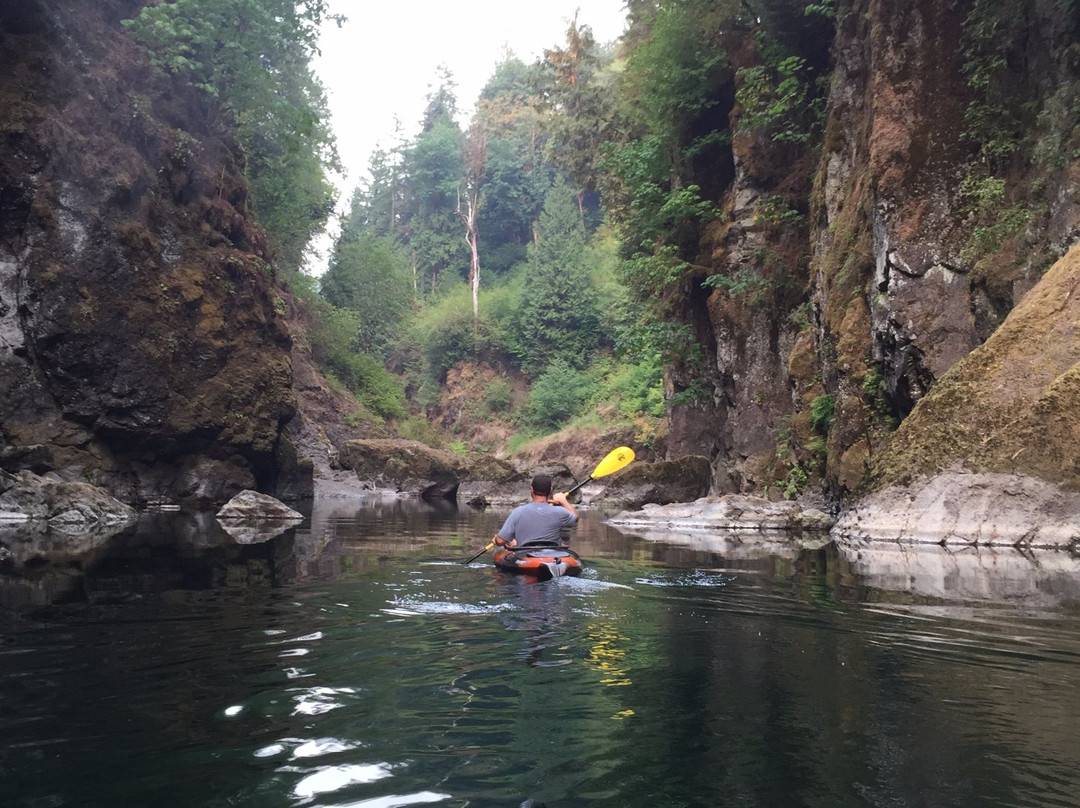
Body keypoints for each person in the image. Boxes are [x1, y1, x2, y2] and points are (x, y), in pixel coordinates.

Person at [493, 473, 578, 548]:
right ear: (550, 491)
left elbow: (500, 541)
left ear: (532, 490)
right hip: (553, 556)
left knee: (512, 544)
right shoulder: (560, 512)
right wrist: (563, 501)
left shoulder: (518, 512)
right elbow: (575, 517)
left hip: (525, 555)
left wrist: (496, 539)